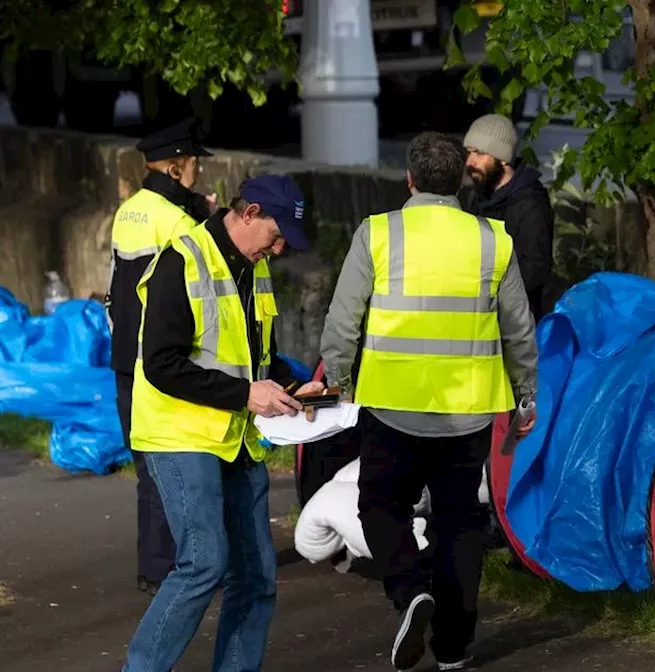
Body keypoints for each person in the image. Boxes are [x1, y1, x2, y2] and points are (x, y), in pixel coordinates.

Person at [319, 131, 539, 671]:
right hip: (466, 413)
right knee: (461, 524)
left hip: (392, 406)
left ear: (410, 180)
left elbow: (344, 317)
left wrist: (339, 378)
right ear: (462, 181)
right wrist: (526, 395)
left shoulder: (378, 234)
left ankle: (409, 587)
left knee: (380, 506)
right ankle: (455, 647)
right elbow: (518, 329)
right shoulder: (493, 239)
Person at [122, 174, 323, 671]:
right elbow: (161, 364)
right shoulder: (181, 259)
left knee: (256, 577)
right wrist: (246, 394)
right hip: (179, 433)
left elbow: (255, 359)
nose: (278, 250)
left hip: (233, 434)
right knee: (203, 564)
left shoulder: (254, 269)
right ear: (249, 213)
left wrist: (291, 387)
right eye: (277, 236)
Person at [107, 116, 218, 595]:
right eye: (194, 165)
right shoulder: (177, 221)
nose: (199, 174)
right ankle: (174, 569)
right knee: (173, 469)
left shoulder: (128, 210)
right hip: (160, 361)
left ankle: (153, 565)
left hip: (125, 359)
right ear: (175, 169)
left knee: (146, 470)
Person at [462, 114, 553, 320]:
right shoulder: (478, 196)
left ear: (502, 157)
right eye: (468, 153)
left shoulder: (530, 204)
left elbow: (534, 270)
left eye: (479, 153)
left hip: (516, 323)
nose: (470, 161)